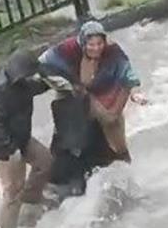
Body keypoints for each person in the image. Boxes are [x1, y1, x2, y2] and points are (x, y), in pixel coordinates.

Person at [37, 19, 146, 196]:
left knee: (118, 147)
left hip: (105, 99)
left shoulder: (113, 53)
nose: (96, 48)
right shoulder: (69, 50)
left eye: (99, 43)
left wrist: (115, 111)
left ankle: (129, 182)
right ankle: (66, 183)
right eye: (91, 44)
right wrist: (68, 85)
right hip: (74, 99)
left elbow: (128, 78)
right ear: (82, 42)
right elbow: (43, 64)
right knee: (71, 142)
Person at [0, 48, 52, 228]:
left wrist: (52, 76)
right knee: (13, 190)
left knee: (45, 162)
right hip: (2, 148)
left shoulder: (23, 83)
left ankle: (31, 202)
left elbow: (40, 85)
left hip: (21, 138)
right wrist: (11, 150)